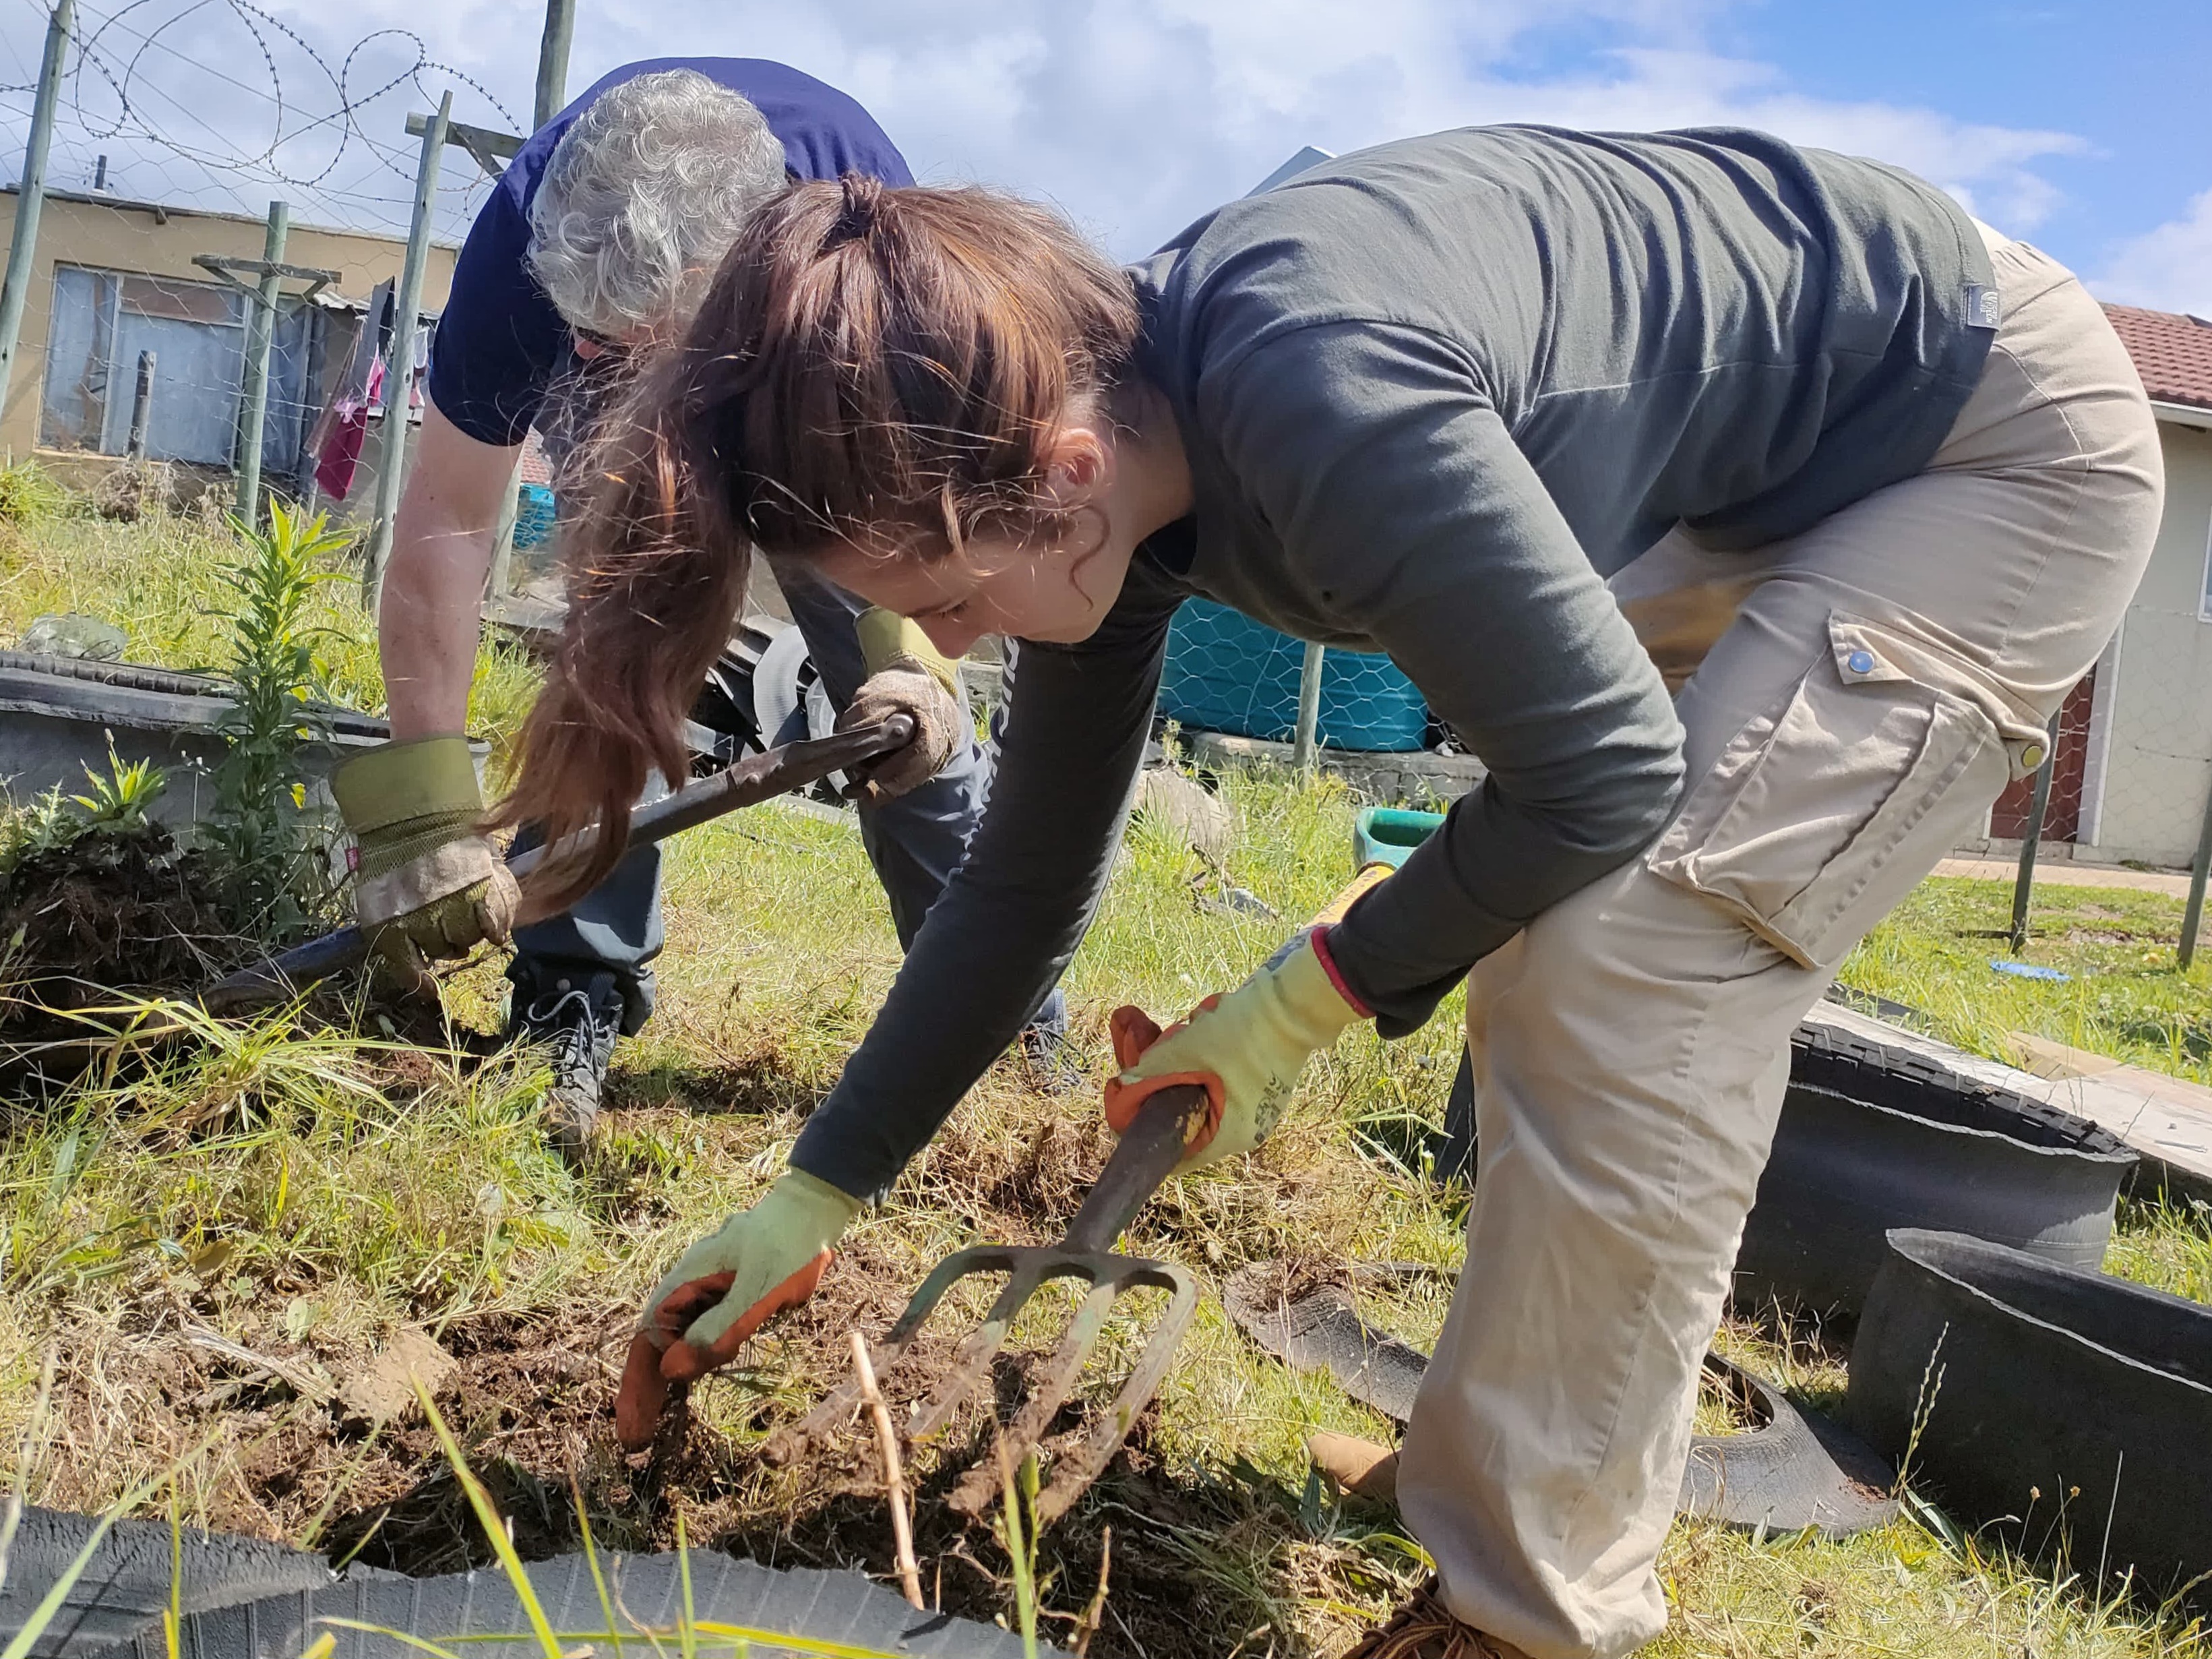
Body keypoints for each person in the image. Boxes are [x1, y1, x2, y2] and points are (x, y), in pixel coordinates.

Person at [501, 127, 2161, 1657]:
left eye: (950, 596)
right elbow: (1020, 885)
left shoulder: (1317, 392)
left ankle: (1530, 1609)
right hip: (1765, 477)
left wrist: (1295, 1002)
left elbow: (1598, 781)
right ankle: (1494, 1456)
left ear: (1063, 471)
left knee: (1637, 956)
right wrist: (816, 1193)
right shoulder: (1108, 447)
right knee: (1549, 915)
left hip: (1983, 443)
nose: (966, 643)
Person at [332, 61, 1066, 1156]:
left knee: (910, 728)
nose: (592, 358)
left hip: (828, 413)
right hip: (676, 371)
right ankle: (570, 993)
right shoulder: (527, 259)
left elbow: (919, 495)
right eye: (584, 332)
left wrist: (915, 660)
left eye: (628, 343)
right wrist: (428, 808)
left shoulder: (862, 226)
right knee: (611, 658)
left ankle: (998, 1027)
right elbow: (443, 526)